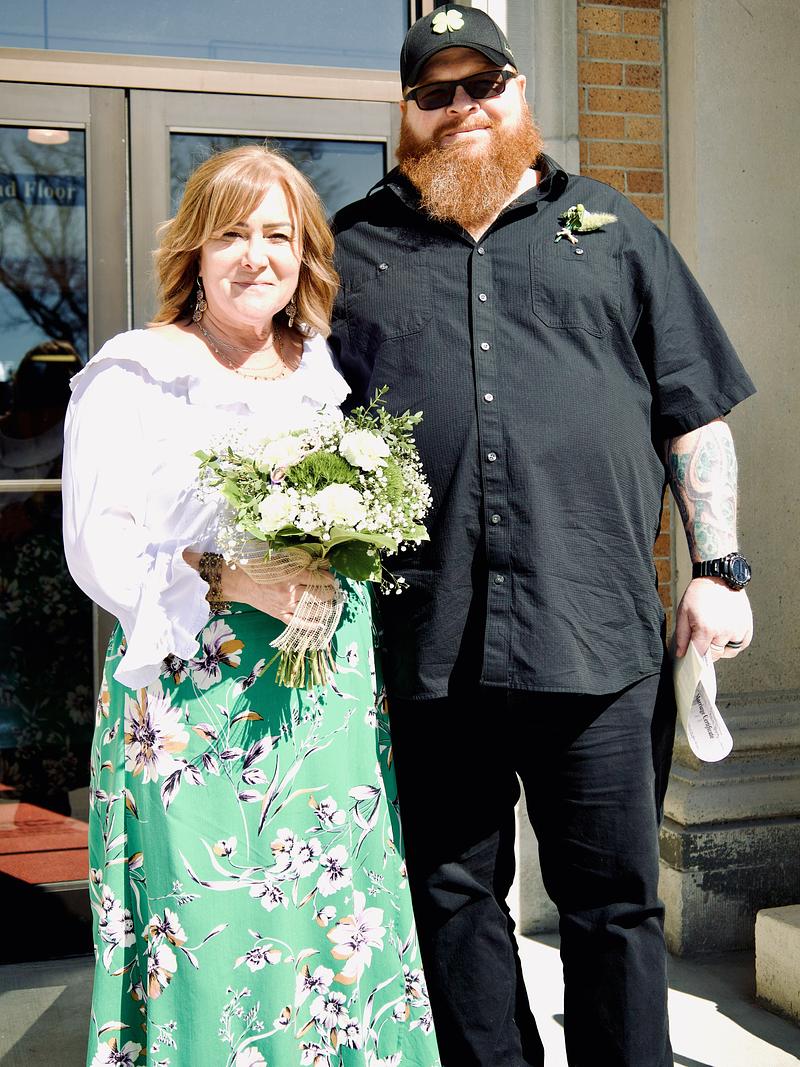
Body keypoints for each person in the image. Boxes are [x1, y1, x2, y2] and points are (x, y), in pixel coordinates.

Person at [329, 6, 755, 1067]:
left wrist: (717, 568)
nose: (462, 108)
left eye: (483, 85)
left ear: (519, 91)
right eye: (436, 93)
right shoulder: (352, 248)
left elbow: (694, 413)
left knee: (613, 902)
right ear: (407, 112)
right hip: (425, 644)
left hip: (593, 630)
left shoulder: (614, 232)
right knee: (451, 894)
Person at [62, 146, 440, 1067]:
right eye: (232, 232)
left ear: (305, 254)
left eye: (278, 234)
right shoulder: (136, 371)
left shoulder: (320, 368)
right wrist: (231, 581)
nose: (256, 255)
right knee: (213, 924)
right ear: (194, 248)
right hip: (195, 700)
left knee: (329, 920)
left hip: (323, 700)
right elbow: (98, 545)